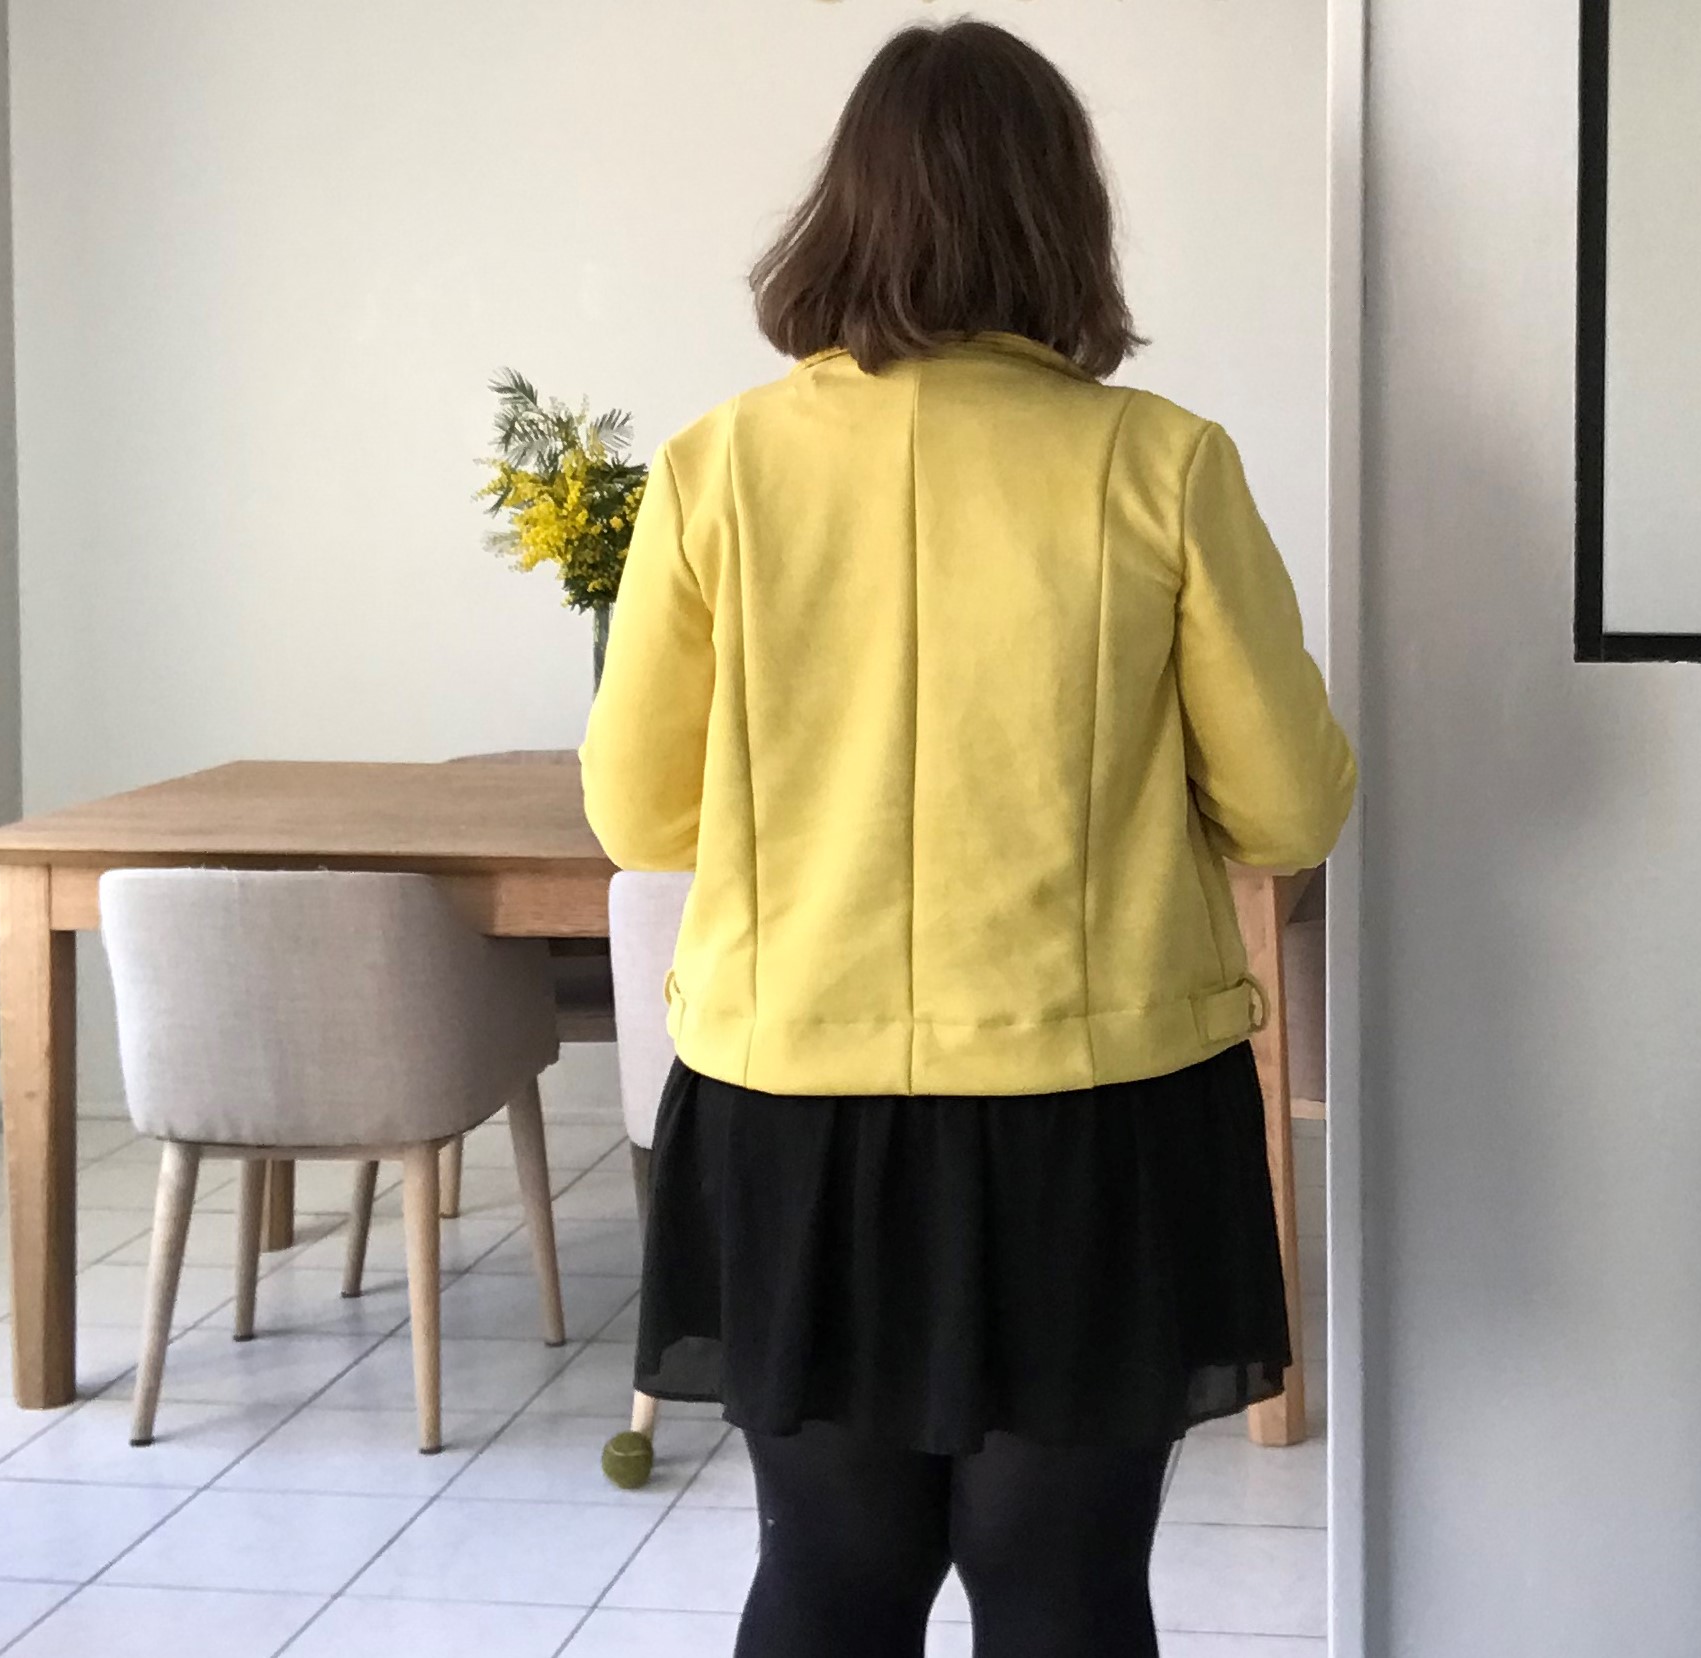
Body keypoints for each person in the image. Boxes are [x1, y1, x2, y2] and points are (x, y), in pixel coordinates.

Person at [580, 18, 1355, 1658]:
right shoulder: (1160, 464)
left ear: (844, 209)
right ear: (1065, 215)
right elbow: (1289, 807)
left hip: (796, 1102)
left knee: (827, 1576)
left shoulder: (717, 466)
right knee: (1063, 1588)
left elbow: (638, 814)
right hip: (1095, 1109)